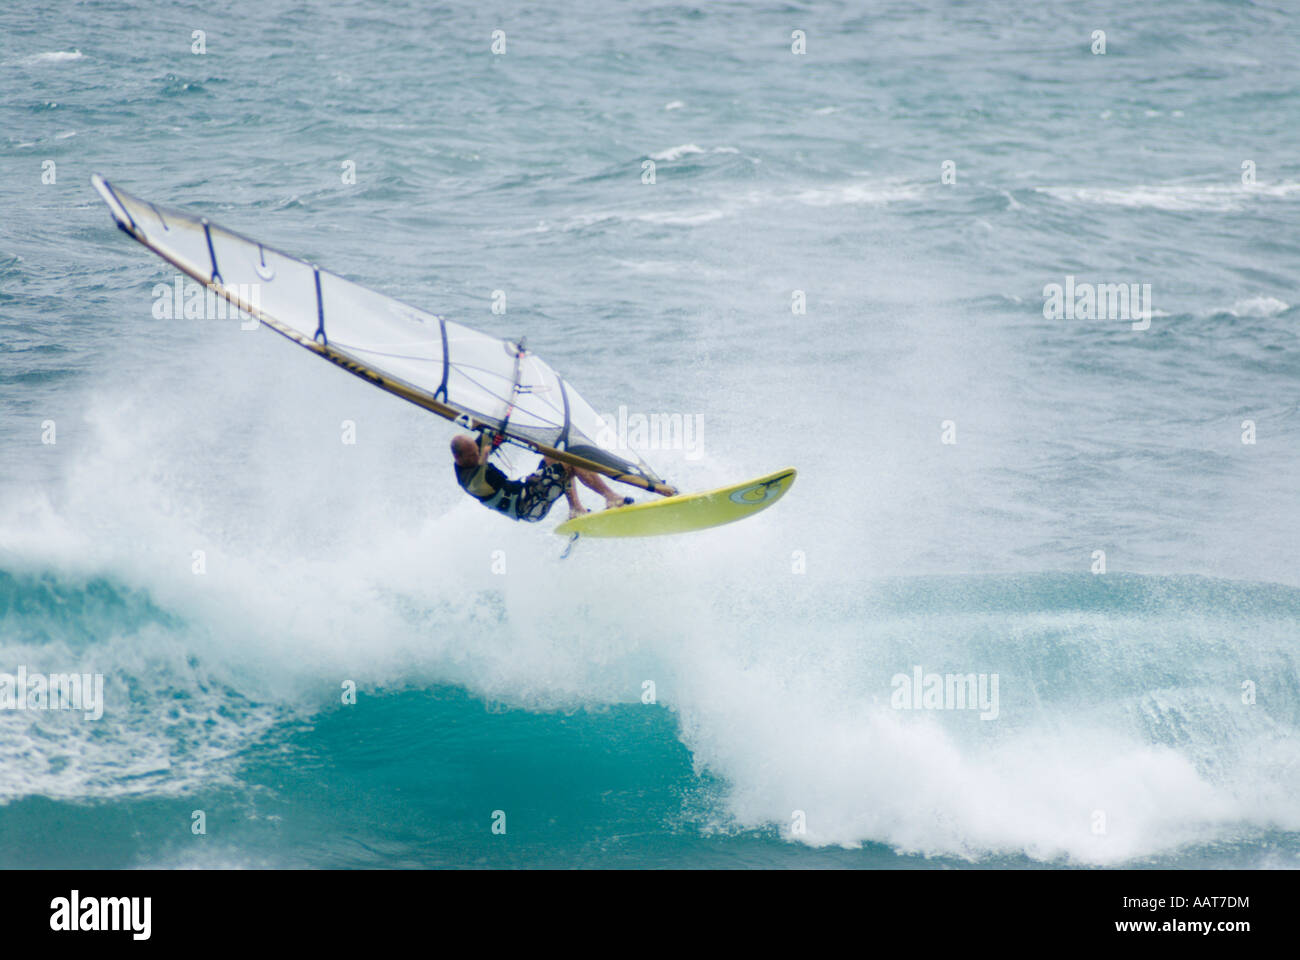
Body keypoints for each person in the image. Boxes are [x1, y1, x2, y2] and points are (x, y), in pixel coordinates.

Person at [451, 432, 631, 522]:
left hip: (525, 491)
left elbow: (492, 433)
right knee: (569, 461)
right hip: (526, 507)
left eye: (476, 452)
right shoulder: (468, 480)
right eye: (472, 456)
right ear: (459, 458)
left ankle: (576, 509)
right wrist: (483, 457)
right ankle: (611, 497)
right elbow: (479, 472)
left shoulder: (472, 453)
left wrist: (499, 431)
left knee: (556, 455)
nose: (476, 456)